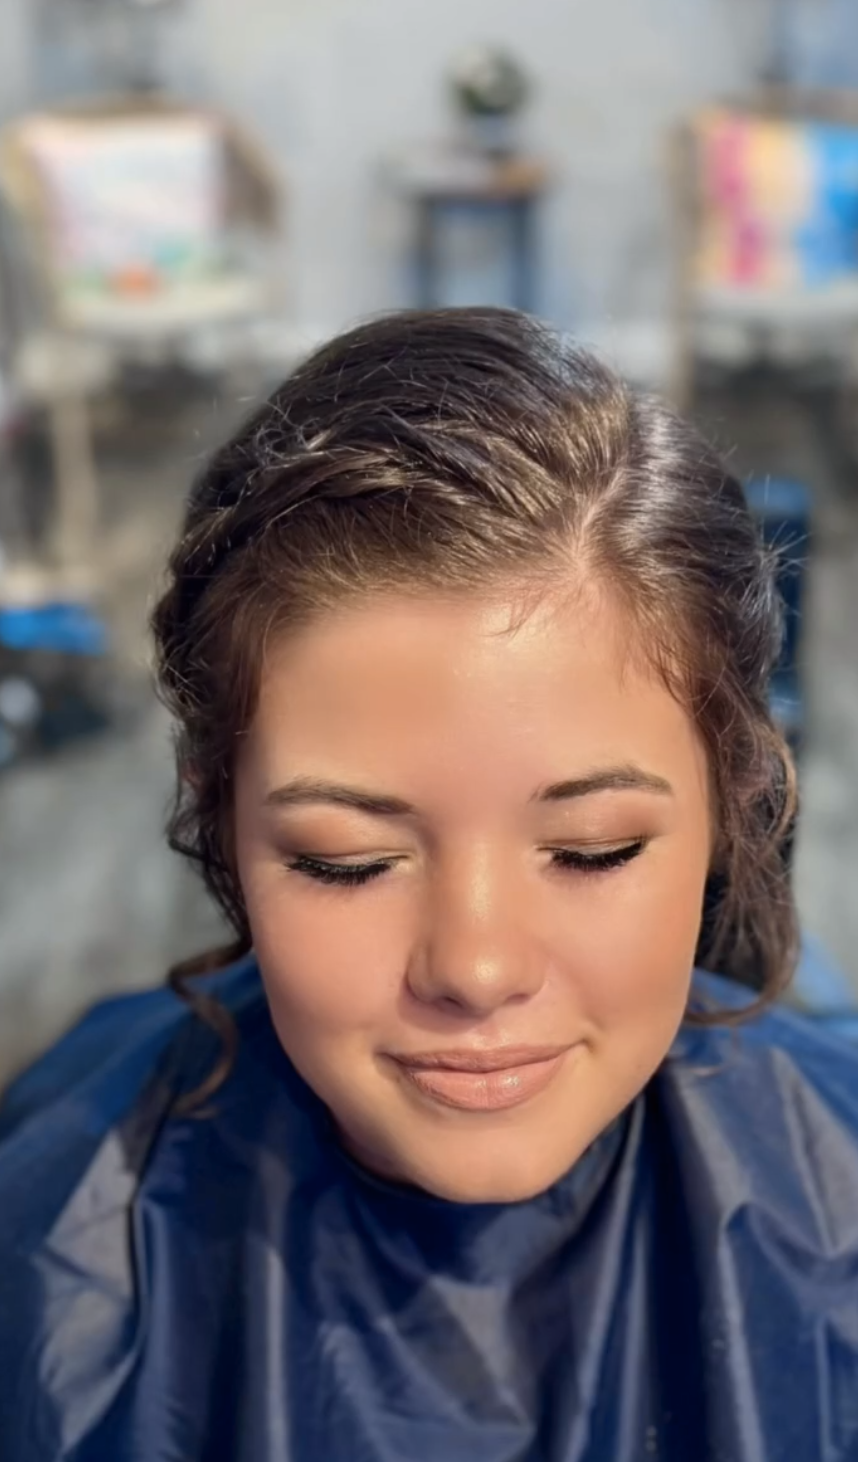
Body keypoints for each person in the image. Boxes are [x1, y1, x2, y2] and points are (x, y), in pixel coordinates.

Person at [1, 307, 857, 1461]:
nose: (476, 966)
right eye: (346, 862)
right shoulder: (54, 1249)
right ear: (222, 822)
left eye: (593, 847)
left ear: (732, 799)